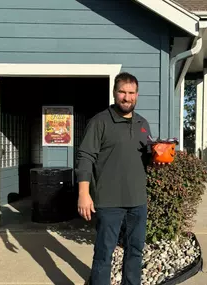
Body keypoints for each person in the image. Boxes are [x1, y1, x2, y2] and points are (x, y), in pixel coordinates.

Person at [75, 72, 152, 285]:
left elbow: (144, 159)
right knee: (103, 254)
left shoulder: (142, 124)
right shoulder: (100, 122)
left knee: (135, 251)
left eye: (131, 93)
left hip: (137, 201)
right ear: (114, 93)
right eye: (122, 92)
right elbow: (85, 156)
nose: (127, 98)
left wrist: (159, 156)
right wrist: (84, 194)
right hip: (109, 202)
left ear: (137, 94)